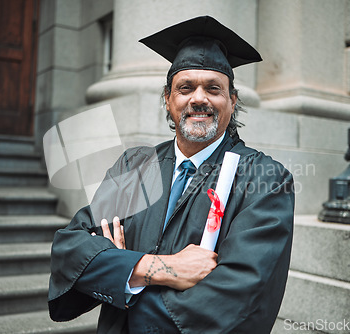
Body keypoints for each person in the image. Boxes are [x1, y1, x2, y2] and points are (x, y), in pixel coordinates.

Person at [48, 16, 294, 334]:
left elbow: (237, 300)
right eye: (185, 87)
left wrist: (121, 274)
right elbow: (70, 251)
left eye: (213, 88)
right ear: (169, 99)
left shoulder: (265, 179)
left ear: (232, 101)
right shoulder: (134, 167)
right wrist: (161, 269)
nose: (199, 98)